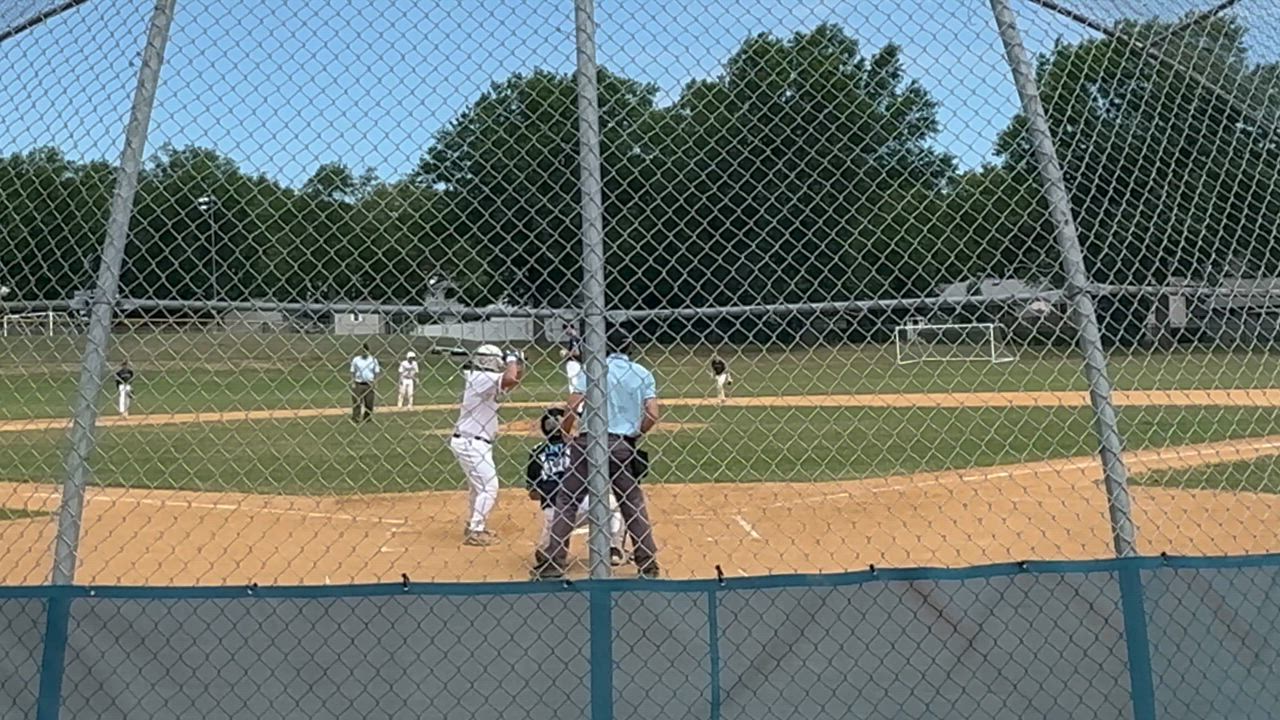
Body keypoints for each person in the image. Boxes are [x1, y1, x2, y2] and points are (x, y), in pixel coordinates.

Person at [535, 325, 661, 579]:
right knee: (632, 503)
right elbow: (652, 413)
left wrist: (566, 433)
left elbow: (572, 406)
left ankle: (554, 561)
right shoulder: (642, 373)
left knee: (568, 501)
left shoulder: (593, 369)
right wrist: (636, 433)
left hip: (588, 442)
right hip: (621, 443)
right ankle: (647, 562)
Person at [526, 407, 626, 566]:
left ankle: (549, 550)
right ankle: (612, 548)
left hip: (553, 513)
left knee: (546, 551)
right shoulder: (578, 448)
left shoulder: (536, 452)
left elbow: (533, 493)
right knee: (617, 505)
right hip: (583, 505)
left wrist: (550, 487)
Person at [450, 344, 524, 546]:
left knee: (478, 488)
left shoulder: (483, 378)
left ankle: (474, 525)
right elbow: (509, 378)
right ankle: (476, 530)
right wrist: (511, 359)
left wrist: (518, 361)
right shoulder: (481, 378)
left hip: (475, 442)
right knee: (489, 487)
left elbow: (514, 379)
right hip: (471, 441)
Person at [349, 344, 381, 422]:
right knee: (357, 401)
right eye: (363, 351)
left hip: (369, 384)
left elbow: (376, 372)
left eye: (366, 351)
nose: (364, 353)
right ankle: (356, 417)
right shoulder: (356, 360)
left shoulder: (373, 360)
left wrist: (376, 382)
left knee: (369, 402)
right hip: (358, 383)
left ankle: (367, 417)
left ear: (368, 351)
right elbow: (352, 371)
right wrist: (352, 382)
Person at [561, 324, 582, 394]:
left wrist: (566, 353)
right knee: (577, 381)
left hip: (573, 363)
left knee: (573, 382)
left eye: (566, 328)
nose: (565, 331)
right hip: (578, 362)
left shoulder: (573, 339)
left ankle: (574, 396)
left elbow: (577, 352)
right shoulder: (578, 338)